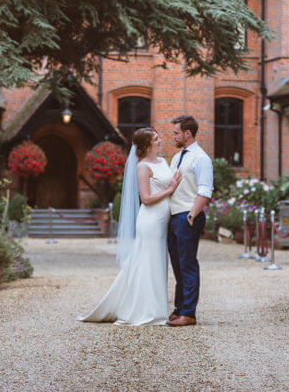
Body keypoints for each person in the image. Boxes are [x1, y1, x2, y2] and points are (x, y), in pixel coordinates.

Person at [77, 127, 182, 326]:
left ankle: (158, 309)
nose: (161, 141)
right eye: (157, 139)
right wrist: (170, 189)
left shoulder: (163, 162)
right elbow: (146, 198)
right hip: (150, 221)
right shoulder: (142, 167)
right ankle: (146, 310)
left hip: (163, 220)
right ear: (148, 144)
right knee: (148, 264)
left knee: (158, 264)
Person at [166, 115, 213, 327]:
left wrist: (192, 215)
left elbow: (205, 190)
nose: (172, 136)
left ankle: (189, 313)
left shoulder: (201, 158)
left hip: (188, 216)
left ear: (188, 133)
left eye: (176, 133)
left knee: (188, 264)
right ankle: (179, 308)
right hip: (173, 216)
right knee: (177, 265)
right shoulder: (176, 157)